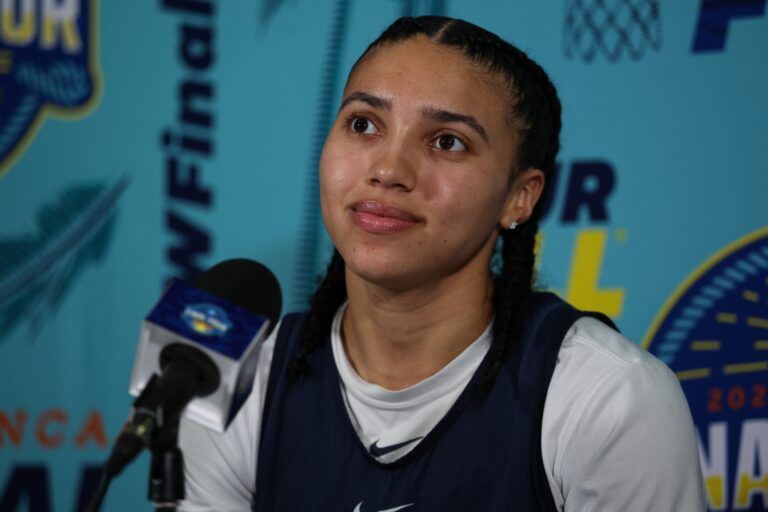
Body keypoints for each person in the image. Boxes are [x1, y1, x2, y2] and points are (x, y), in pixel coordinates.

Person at [179, 16, 705, 511]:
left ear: (519, 198)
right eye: (363, 124)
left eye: (447, 141)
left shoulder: (609, 399)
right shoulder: (234, 381)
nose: (388, 169)